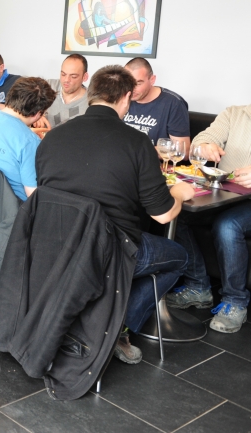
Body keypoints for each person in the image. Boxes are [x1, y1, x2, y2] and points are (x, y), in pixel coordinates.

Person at [36, 65, 193, 363]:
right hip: (110, 251)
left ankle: (101, 308)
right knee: (179, 257)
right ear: (126, 98)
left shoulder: (53, 136)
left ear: (91, 93)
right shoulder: (137, 142)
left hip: (55, 242)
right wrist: (180, 194)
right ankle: (119, 327)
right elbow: (162, 216)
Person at [168, 104, 251, 333]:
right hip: (227, 194)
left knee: (228, 225)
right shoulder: (235, 113)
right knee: (179, 212)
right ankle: (198, 287)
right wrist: (205, 147)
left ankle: (235, 301)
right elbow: (202, 140)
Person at [123, 57, 190, 150]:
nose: (131, 89)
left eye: (138, 83)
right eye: (127, 82)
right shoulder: (121, 98)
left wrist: (140, 151)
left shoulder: (173, 103)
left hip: (155, 159)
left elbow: (183, 150)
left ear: (152, 80)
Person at [33, 54, 90, 130]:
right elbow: (21, 105)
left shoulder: (91, 102)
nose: (66, 80)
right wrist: (35, 115)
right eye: (63, 74)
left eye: (73, 76)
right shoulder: (48, 86)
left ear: (85, 77)